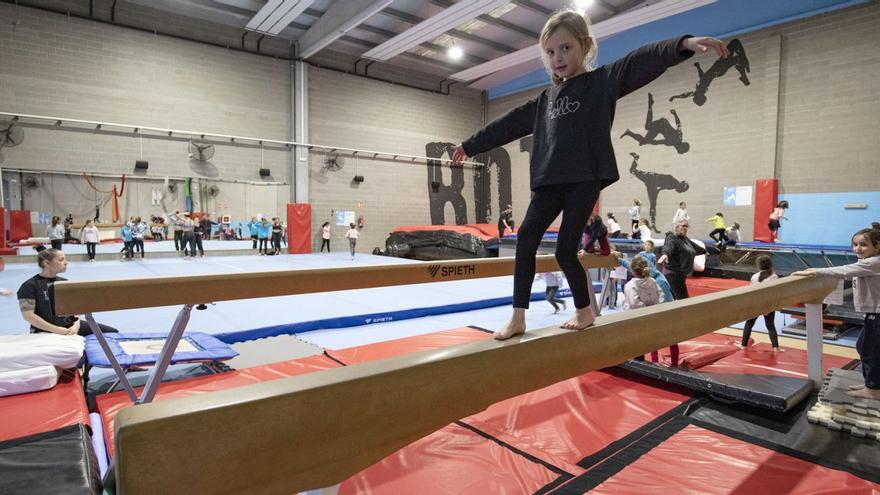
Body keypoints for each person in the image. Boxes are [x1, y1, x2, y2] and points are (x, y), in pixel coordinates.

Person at [451, 8, 727, 339]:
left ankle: (584, 312)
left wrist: (683, 44)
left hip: (584, 179)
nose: (557, 57)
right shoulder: (545, 99)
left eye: (565, 48)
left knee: (565, 250)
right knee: (525, 239)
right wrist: (470, 145)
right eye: (551, 52)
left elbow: (640, 60)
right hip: (550, 181)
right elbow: (506, 124)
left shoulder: (601, 82)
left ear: (585, 45)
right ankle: (518, 316)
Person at [793, 228, 880, 399]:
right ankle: (872, 384)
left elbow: (844, 271)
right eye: (855, 244)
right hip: (873, 313)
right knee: (865, 347)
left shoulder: (874, 262)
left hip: (877, 314)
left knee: (869, 350)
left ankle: (874, 390)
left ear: (877, 247)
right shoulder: (868, 262)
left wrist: (815, 271)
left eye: (863, 245)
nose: (858, 248)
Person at [17, 247, 118, 336]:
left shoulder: (64, 283)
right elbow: (28, 316)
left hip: (70, 326)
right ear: (46, 263)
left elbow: (75, 310)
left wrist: (76, 326)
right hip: (45, 329)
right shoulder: (30, 285)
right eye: (61, 260)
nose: (66, 262)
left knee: (112, 332)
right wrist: (56, 330)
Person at [620, 93, 690, 154]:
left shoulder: (675, 140)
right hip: (662, 123)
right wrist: (646, 141)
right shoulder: (674, 140)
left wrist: (646, 141)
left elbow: (678, 124)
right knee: (647, 127)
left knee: (647, 130)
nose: (676, 149)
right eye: (678, 149)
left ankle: (629, 132)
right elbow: (656, 142)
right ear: (680, 146)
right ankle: (650, 105)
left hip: (660, 127)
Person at [657, 219, 707, 300]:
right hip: (673, 274)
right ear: (676, 226)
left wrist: (709, 251)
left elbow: (696, 248)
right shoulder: (672, 237)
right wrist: (665, 255)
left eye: (687, 226)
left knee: (674, 299)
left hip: (680, 274)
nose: (685, 228)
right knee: (684, 300)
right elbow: (668, 247)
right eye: (683, 226)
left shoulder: (685, 239)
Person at [740, 255, 779, 350]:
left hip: (756, 303)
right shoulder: (774, 277)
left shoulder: (755, 277)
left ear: (758, 265)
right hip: (768, 304)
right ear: (770, 265)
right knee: (770, 326)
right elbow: (776, 293)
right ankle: (776, 348)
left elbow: (750, 292)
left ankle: (743, 346)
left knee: (749, 324)